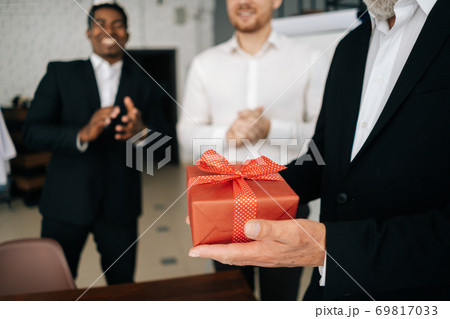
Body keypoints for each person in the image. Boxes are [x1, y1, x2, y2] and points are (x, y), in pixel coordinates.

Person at [188, 0, 450, 300]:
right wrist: (252, 192)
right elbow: (326, 151)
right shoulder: (351, 46)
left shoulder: (309, 56)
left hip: (420, 292)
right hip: (330, 287)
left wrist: (330, 247)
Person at [178, 0, 327, 300]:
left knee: (280, 300)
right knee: (232, 297)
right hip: (222, 197)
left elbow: (324, 135)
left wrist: (271, 129)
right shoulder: (205, 63)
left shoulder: (309, 57)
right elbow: (186, 135)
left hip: (285, 195)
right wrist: (228, 134)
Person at [23, 2, 168, 285]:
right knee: (53, 285)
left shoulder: (145, 82)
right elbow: (32, 133)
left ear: (127, 33)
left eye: (117, 24)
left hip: (120, 205)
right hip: (64, 203)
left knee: (122, 286)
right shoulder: (60, 74)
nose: (108, 30)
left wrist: (142, 133)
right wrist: (81, 134)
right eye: (100, 23)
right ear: (88, 32)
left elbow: (164, 148)